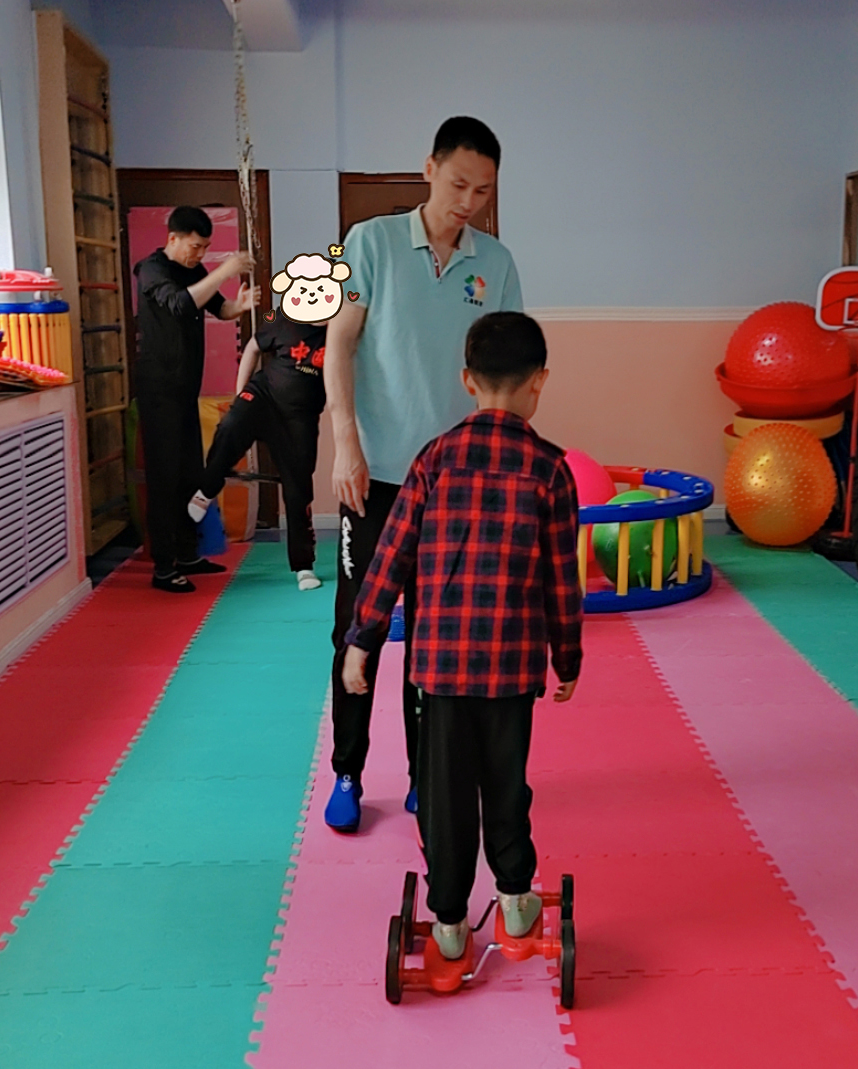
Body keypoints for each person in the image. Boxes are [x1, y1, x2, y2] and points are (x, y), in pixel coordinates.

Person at [340, 311, 581, 961]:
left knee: (444, 794)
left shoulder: (434, 459)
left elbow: (390, 556)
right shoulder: (551, 470)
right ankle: (514, 898)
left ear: (467, 380)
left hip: (440, 669)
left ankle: (448, 923)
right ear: (539, 381)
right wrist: (568, 659)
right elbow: (562, 581)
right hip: (511, 669)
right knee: (507, 785)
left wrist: (362, 638)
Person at [322, 116, 522, 832]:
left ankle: (424, 775)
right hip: (374, 477)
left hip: (456, 483)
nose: (468, 201)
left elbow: (505, 374)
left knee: (436, 640)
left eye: (483, 191)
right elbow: (338, 344)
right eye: (459, 183)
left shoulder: (495, 262)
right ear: (429, 168)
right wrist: (345, 443)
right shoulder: (370, 242)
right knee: (359, 628)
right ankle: (347, 770)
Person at [132, 206, 254, 593]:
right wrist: (225, 269)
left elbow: (220, 308)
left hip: (185, 389)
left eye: (205, 248)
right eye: (195, 247)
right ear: (173, 238)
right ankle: (163, 567)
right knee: (165, 478)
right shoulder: (152, 270)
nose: (199, 254)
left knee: (189, 474)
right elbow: (182, 303)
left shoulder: (195, 271)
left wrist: (240, 305)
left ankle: (187, 554)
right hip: (158, 391)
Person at [185, 298, 328, 591]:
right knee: (230, 426)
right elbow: (252, 347)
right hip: (263, 396)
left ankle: (303, 565)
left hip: (299, 417)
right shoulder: (285, 317)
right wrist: (240, 394)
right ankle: (207, 490)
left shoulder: (340, 331)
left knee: (299, 488)